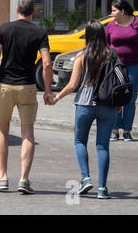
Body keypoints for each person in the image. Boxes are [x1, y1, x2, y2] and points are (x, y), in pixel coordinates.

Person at [0, 0, 53, 195]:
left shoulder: (4, 29)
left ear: (17, 10)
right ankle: (24, 179)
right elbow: (47, 63)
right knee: (27, 133)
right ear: (33, 12)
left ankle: (2, 177)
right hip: (28, 87)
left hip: (5, 85)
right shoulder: (39, 32)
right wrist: (48, 91)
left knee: (2, 130)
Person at [50, 21, 121, 199]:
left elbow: (73, 84)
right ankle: (103, 189)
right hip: (108, 104)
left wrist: (57, 97)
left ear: (88, 35)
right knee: (103, 146)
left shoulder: (82, 55)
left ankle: (86, 178)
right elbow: (120, 80)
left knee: (80, 141)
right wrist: (120, 103)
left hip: (85, 103)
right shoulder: (112, 54)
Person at [106, 0, 138, 142]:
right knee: (115, 96)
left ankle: (127, 131)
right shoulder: (111, 25)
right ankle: (114, 130)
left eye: (114, 10)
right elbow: (106, 44)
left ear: (123, 11)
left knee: (130, 98)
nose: (111, 14)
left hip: (134, 65)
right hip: (115, 66)